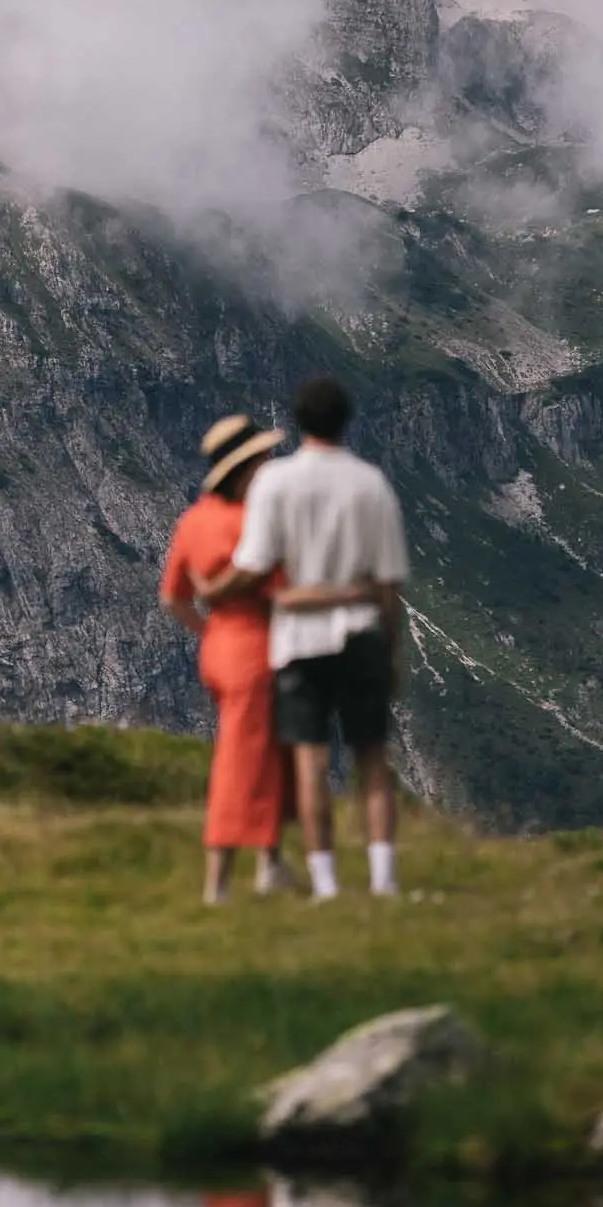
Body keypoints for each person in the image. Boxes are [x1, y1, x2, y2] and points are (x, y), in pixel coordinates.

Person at [196, 376, 407, 903]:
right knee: (372, 759)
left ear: (299, 422)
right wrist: (392, 653)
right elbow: (388, 584)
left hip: (297, 641)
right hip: (359, 634)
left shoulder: (276, 484)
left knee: (310, 762)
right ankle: (384, 881)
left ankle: (325, 884)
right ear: (346, 420)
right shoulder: (371, 483)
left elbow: (253, 563)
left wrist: (215, 591)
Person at [159, 414, 295, 906]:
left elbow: (173, 597)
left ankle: (270, 864)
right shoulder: (252, 523)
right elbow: (284, 589)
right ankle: (219, 881)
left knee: (267, 754)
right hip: (256, 651)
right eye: (261, 458)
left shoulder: (192, 520)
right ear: (244, 468)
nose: (269, 464)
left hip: (220, 647)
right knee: (242, 760)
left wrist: (208, 631)